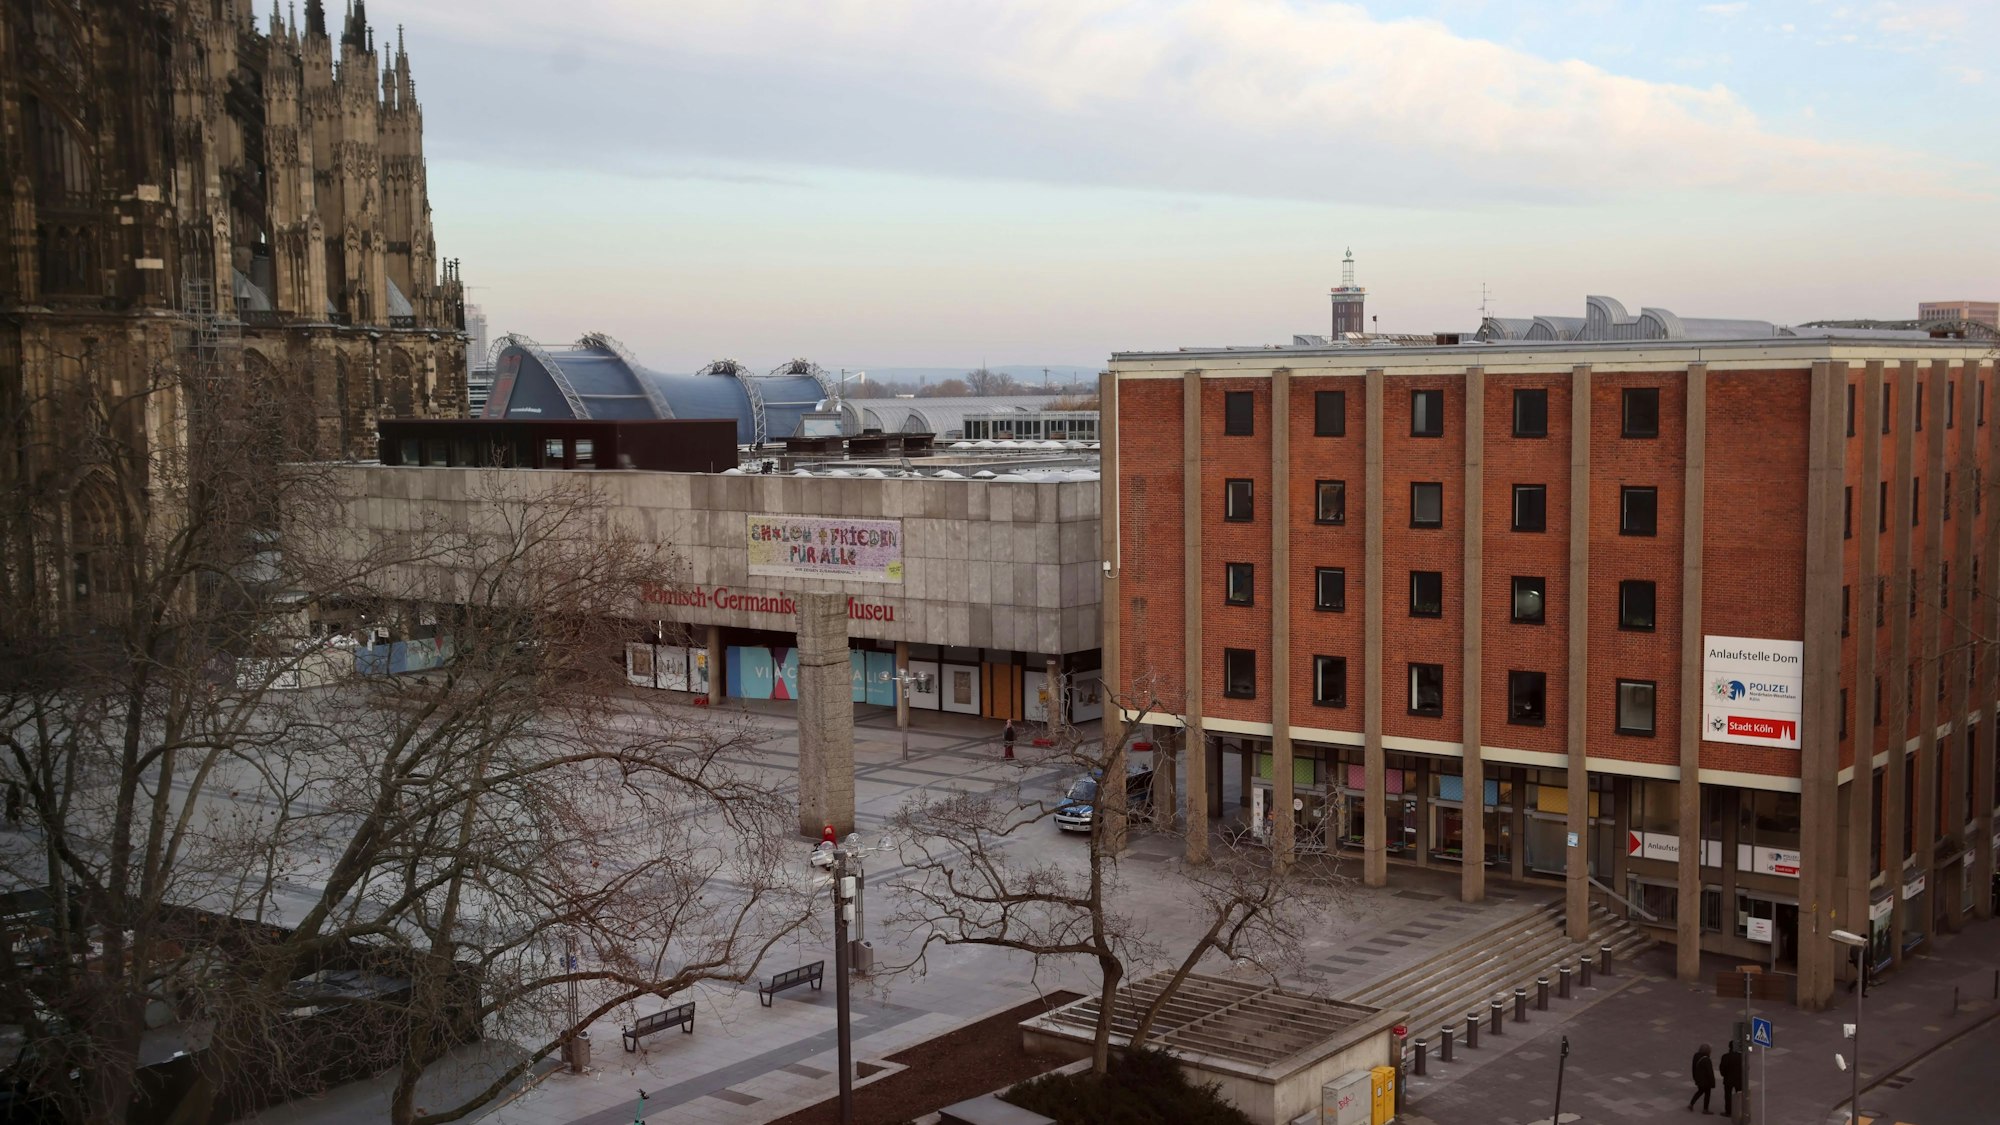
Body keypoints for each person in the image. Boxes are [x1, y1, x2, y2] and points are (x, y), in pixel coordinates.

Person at [1688, 1042, 1715, 1114]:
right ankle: (1705, 1109)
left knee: (1700, 1091)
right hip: (1706, 1081)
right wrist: (1712, 1083)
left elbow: (1693, 1067)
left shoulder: (1696, 1055)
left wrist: (1695, 1077)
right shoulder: (1707, 1060)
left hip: (1698, 1079)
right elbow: (1710, 1072)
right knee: (1707, 1094)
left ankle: (1691, 1104)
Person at [1719, 1041, 1744, 1118]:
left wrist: (1725, 1075)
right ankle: (1740, 1111)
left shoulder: (1725, 1056)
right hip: (1739, 1080)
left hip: (1728, 1080)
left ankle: (1728, 1112)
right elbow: (1746, 1068)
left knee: (1728, 1096)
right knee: (1739, 1096)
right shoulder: (1742, 1057)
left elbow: (1722, 1069)